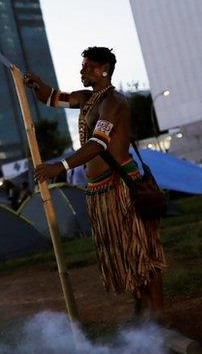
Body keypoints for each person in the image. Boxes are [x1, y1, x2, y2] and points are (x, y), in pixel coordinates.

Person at [24, 46, 167, 318]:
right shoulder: (87, 99)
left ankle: (158, 315)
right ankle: (143, 311)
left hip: (120, 186)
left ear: (104, 70)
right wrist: (36, 84)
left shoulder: (113, 103)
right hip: (100, 190)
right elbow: (54, 98)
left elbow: (99, 143)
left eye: (88, 67)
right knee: (122, 253)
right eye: (83, 66)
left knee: (140, 252)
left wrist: (61, 166)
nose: (82, 70)